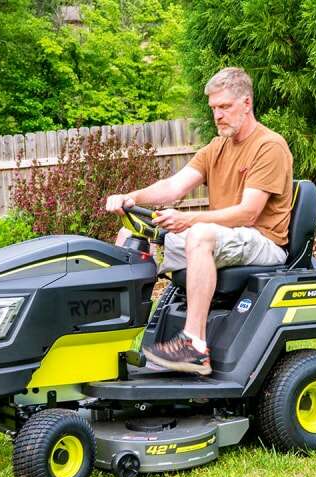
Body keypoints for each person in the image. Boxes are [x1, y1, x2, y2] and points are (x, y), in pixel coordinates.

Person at [105, 67, 293, 376]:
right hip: (225, 239)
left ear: (246, 103)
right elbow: (173, 187)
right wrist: (131, 197)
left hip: (264, 241)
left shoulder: (269, 146)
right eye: (214, 109)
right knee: (132, 231)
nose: (218, 115)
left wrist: (189, 220)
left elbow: (248, 213)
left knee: (199, 234)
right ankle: (120, 335)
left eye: (225, 107)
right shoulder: (217, 147)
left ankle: (194, 346)